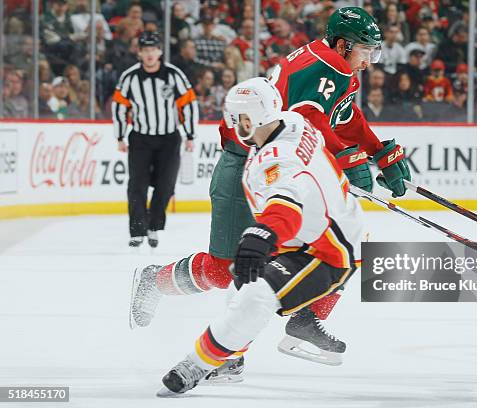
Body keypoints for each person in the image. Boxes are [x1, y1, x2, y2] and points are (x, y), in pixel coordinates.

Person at [129, 6, 412, 367]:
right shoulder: (326, 66)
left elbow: (342, 115)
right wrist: (347, 158)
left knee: (345, 242)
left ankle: (306, 319)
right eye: (365, 51)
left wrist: (375, 150)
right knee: (227, 269)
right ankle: (157, 282)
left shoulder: (339, 66)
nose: (369, 60)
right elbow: (305, 119)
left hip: (284, 168)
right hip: (246, 165)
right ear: (343, 45)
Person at [154, 76, 364, 394]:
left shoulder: (273, 159)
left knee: (256, 295)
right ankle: (230, 355)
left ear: (251, 117)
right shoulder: (293, 121)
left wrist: (264, 232)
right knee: (243, 280)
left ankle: (197, 364)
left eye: (237, 118)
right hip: (318, 230)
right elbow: (312, 166)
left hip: (328, 249)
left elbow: (287, 200)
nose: (233, 124)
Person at [111, 31, 198, 248]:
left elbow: (188, 103)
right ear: (139, 53)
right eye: (145, 50)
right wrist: (120, 136)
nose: (150, 54)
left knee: (166, 185)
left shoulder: (173, 75)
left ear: (159, 51)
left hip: (169, 139)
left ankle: (153, 225)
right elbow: (119, 107)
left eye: (153, 50)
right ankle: (138, 229)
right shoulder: (130, 77)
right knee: (137, 185)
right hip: (141, 138)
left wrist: (189, 134)